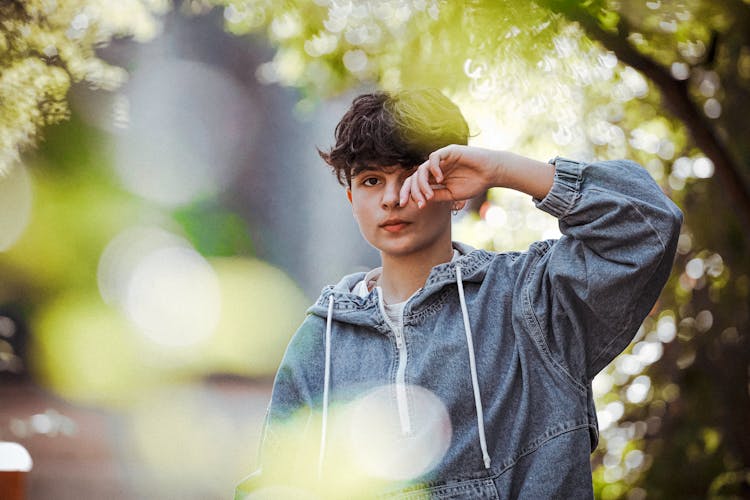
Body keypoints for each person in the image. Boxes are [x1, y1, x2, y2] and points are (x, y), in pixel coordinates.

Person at [235, 89, 683, 499]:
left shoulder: (531, 300)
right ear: (351, 198)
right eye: (371, 180)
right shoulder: (322, 341)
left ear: (454, 190)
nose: (391, 198)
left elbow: (647, 225)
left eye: (411, 175)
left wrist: (502, 170)